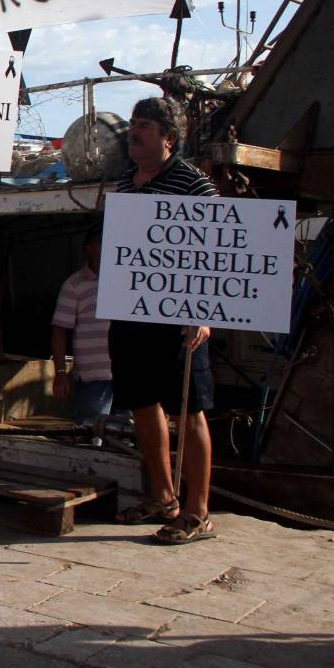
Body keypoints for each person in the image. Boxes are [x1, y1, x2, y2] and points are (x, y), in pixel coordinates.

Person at [109, 97, 218, 544]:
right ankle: (164, 497)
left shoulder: (196, 185)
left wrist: (203, 311)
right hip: (131, 313)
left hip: (178, 319)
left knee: (189, 409)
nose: (133, 132)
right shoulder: (126, 181)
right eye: (132, 124)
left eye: (145, 126)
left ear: (168, 137)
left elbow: (219, 251)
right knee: (141, 403)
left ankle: (198, 512)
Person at [51, 222, 112, 424]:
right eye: (102, 243)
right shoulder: (74, 285)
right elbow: (60, 331)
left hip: (127, 375)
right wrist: (60, 374)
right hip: (92, 378)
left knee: (127, 435)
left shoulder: (128, 281)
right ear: (90, 249)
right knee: (91, 434)